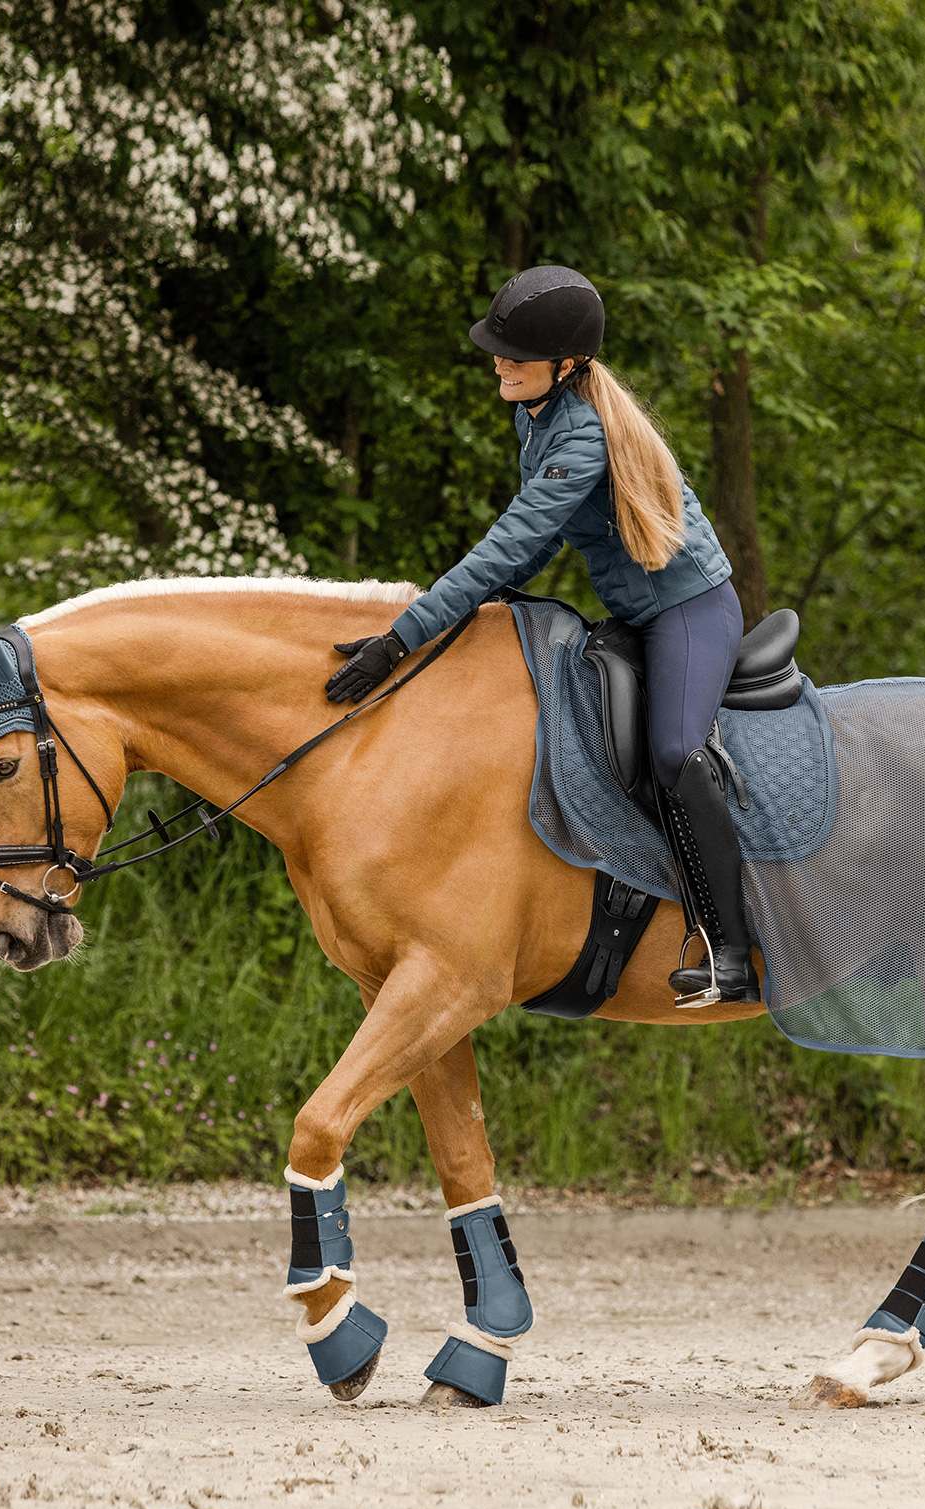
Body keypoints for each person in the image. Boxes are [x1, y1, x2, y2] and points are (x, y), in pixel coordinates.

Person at [325, 265, 758, 1005]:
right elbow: (531, 547)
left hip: (689, 612)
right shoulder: (535, 412)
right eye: (498, 348)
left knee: (674, 750)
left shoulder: (582, 430)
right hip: (632, 615)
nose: (498, 361)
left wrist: (403, 637)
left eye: (514, 353)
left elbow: (509, 546)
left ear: (565, 366)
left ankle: (733, 952)